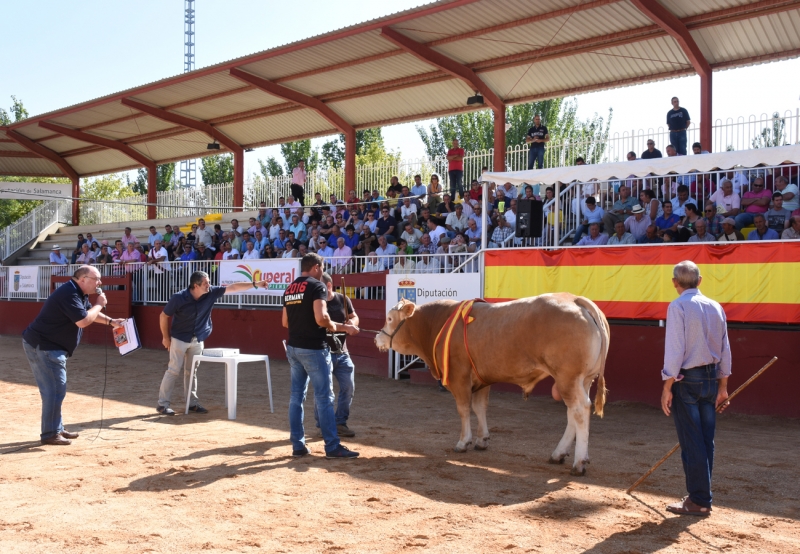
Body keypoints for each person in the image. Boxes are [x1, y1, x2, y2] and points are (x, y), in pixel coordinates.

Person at [22, 266, 124, 445]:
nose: (100, 283)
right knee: (54, 390)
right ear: (83, 279)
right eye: (97, 279)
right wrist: (99, 303)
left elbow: (86, 314)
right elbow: (84, 321)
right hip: (45, 347)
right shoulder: (69, 293)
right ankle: (50, 433)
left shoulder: (76, 291)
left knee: (55, 390)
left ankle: (56, 428)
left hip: (48, 346)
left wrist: (111, 321)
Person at [661, 260, 731, 516]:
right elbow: (726, 349)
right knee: (705, 441)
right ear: (700, 281)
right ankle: (701, 496)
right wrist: (723, 386)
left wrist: (667, 386)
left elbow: (675, 351)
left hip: (687, 381)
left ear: (675, 283)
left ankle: (699, 499)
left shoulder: (677, 306)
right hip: (712, 380)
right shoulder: (715, 306)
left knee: (693, 442)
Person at [157, 271, 268, 416]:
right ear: (196, 286)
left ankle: (192, 403)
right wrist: (165, 337)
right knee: (173, 370)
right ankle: (162, 404)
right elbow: (163, 315)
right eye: (206, 283)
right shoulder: (178, 298)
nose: (209, 285)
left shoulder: (211, 293)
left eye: (208, 282)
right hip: (179, 338)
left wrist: (255, 284)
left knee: (192, 372)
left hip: (198, 339)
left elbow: (234, 288)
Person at [283, 253, 359, 458]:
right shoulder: (317, 286)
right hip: (314, 348)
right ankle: (332, 446)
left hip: (294, 347)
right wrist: (341, 326)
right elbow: (322, 317)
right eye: (322, 266)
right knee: (325, 397)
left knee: (296, 397)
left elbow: (285, 322)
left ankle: (298, 445)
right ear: (316, 267)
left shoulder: (290, 288)